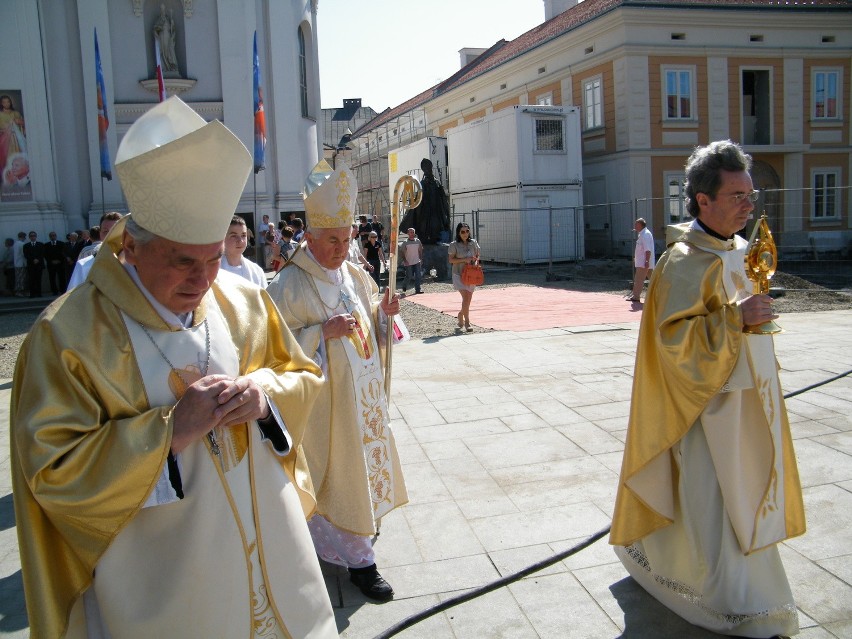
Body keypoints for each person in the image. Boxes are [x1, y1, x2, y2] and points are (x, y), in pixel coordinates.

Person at [10, 96, 336, 638]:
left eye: (213, 258)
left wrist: (263, 395)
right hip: (164, 582)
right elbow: (52, 470)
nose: (203, 279)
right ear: (130, 250)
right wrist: (168, 432)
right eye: (183, 261)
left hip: (271, 553)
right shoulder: (67, 335)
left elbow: (301, 375)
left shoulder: (244, 302)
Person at [610, 140, 805, 638]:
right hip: (705, 411)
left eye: (751, 193)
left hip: (750, 399)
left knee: (746, 494)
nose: (749, 203)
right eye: (737, 194)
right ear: (703, 201)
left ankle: (678, 567)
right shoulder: (682, 261)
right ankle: (739, 604)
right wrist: (734, 320)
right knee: (718, 505)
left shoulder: (742, 249)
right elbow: (671, 340)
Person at [267, 160, 408, 603]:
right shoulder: (287, 285)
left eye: (346, 240)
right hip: (324, 411)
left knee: (361, 473)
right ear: (308, 237)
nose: (341, 249)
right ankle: (360, 563)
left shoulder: (354, 274)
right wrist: (319, 335)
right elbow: (268, 350)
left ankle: (356, 542)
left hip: (362, 401)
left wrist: (384, 319)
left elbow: (374, 329)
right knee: (338, 477)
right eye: (332, 240)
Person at [67, 212, 124, 291]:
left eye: (116, 230)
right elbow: (73, 300)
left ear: (125, 233)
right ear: (100, 234)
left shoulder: (138, 264)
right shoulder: (84, 266)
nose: (110, 235)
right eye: (105, 231)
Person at [401, 158, 450, 245]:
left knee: (436, 228)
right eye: (425, 168)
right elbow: (417, 199)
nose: (427, 169)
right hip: (424, 212)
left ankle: (434, 241)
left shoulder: (437, 183)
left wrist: (446, 212)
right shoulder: (422, 183)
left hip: (436, 211)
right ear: (424, 170)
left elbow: (443, 198)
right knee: (423, 229)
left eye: (428, 167)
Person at [447, 222, 480, 331]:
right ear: (458, 233)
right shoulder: (454, 244)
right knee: (466, 297)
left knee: (468, 300)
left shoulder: (473, 243)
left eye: (467, 231)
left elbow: (477, 255)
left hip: (471, 275)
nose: (465, 233)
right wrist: (464, 260)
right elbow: (451, 260)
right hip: (458, 274)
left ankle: (461, 315)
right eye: (462, 232)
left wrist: (475, 262)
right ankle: (467, 322)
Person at [220, 215, 266, 287]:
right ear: (223, 238)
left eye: (243, 235)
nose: (240, 241)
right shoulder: (213, 272)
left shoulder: (256, 271)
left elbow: (264, 297)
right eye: (234, 236)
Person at [628, 217, 655, 302]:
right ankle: (661, 294)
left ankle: (636, 297)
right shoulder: (643, 234)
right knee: (654, 280)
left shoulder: (645, 235)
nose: (635, 226)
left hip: (644, 263)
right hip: (644, 262)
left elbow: (647, 249)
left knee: (639, 280)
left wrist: (646, 261)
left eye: (636, 224)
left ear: (641, 225)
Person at [0, 94, 26, 177]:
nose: (6, 103)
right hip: (5, 141)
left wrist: (19, 122)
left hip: (18, 140)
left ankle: (20, 175)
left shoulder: (16, 113)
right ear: (1, 103)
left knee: (19, 158)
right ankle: (8, 176)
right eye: (4, 102)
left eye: (8, 101)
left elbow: (25, 124)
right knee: (7, 159)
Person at [153, 3, 178, 73]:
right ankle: (164, 67)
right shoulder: (159, 19)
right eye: (161, 9)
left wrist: (172, 24)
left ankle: (171, 66)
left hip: (167, 36)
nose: (162, 10)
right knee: (162, 50)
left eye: (163, 8)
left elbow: (172, 29)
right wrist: (159, 28)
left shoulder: (168, 18)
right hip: (161, 36)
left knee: (169, 50)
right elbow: (155, 28)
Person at [399, 227, 423, 294]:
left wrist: (421, 259)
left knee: (418, 276)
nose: (412, 234)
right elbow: (402, 252)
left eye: (413, 232)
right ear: (408, 233)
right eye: (411, 232)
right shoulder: (405, 242)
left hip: (417, 261)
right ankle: (404, 285)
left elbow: (420, 250)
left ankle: (418, 289)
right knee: (409, 276)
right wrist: (405, 260)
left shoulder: (418, 241)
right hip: (408, 262)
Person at [22, 230, 44, 298]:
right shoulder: (26, 245)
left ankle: (39, 293)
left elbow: (42, 253)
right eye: (31, 236)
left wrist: (38, 259)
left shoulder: (40, 244)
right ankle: (32, 294)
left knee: (38, 279)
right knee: (31, 280)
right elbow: (26, 255)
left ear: (36, 236)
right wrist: (33, 260)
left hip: (39, 265)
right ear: (29, 237)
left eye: (34, 236)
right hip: (31, 265)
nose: (33, 237)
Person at [43, 231, 66, 295]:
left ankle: (63, 290)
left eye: (54, 235)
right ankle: (54, 291)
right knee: (52, 278)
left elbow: (63, 253)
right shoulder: (46, 245)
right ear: (49, 237)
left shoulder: (61, 244)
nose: (53, 237)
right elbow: (45, 254)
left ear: (56, 236)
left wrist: (60, 260)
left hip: (60, 264)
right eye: (51, 236)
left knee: (61, 277)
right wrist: (51, 261)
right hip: (51, 264)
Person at [12, 231, 27, 297]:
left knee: (18, 278)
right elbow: (23, 254)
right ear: (23, 237)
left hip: (16, 263)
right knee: (21, 278)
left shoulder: (15, 244)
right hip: (21, 263)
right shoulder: (22, 244)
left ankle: (18, 291)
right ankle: (20, 291)